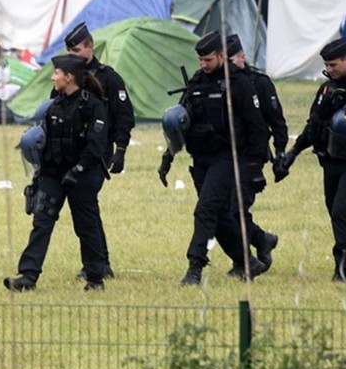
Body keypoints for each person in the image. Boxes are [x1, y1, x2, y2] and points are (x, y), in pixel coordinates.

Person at [275, 37, 346, 281]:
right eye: (326, 65)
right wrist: (293, 154)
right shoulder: (327, 89)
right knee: (339, 211)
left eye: (333, 65)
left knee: (343, 211)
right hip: (330, 160)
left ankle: (343, 268)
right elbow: (313, 125)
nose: (329, 70)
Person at [158, 31, 269, 286]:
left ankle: (194, 268)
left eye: (208, 60)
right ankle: (249, 262)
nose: (203, 65)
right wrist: (168, 156)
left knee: (205, 211)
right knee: (218, 217)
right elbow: (179, 122)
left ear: (221, 55)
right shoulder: (197, 81)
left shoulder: (239, 83)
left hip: (228, 157)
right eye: (200, 60)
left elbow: (257, 128)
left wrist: (255, 168)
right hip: (201, 158)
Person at [5, 54, 110, 292]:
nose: (53, 77)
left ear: (69, 77)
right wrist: (39, 174)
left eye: (57, 73)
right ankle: (28, 276)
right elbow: (46, 141)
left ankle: (95, 278)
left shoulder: (92, 106)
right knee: (42, 220)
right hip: (55, 174)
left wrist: (78, 170)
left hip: (82, 175)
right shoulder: (56, 104)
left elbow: (96, 146)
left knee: (86, 225)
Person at [62, 21, 135, 279]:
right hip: (71, 154)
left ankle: (97, 265)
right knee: (84, 209)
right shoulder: (67, 77)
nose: (74, 57)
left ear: (90, 47)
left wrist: (121, 149)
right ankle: (99, 263)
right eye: (70, 54)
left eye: (78, 51)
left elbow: (124, 116)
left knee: (85, 206)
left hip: (96, 155)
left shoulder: (108, 78)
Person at [226, 33, 285, 271]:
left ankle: (243, 261)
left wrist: (280, 154)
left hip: (251, 155)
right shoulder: (220, 82)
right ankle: (261, 239)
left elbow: (276, 121)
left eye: (232, 59)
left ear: (242, 57)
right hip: (225, 156)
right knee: (227, 209)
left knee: (235, 208)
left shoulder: (258, 83)